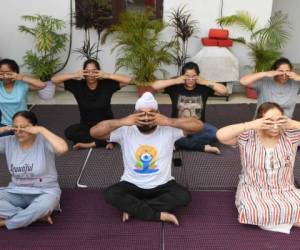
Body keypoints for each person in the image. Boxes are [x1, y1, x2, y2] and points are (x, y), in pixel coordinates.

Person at [90, 92, 202, 225]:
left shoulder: (168, 128)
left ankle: (133, 207)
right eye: (141, 114)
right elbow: (94, 132)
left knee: (183, 197)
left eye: (151, 113)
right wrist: (122, 121)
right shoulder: (126, 130)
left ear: (158, 113)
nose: (146, 118)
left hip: (163, 184)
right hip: (131, 184)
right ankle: (158, 215)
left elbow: (198, 126)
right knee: (111, 194)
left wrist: (168, 121)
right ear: (134, 114)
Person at [216, 102, 300, 234]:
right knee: (255, 211)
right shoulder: (248, 135)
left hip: (284, 189)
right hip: (254, 189)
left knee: (280, 209)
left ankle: (281, 219)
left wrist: (294, 124)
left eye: (279, 121)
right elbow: (220, 135)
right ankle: (291, 219)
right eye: (269, 122)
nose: (275, 126)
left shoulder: (290, 135)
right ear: (259, 120)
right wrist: (249, 125)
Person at [0, 110, 68, 230]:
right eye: (15, 127)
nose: (19, 131)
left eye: (24, 127)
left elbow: (62, 149)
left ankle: (6, 222)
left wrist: (42, 130)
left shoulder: (43, 140)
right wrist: (3, 129)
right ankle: (34, 216)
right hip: (16, 191)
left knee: (45, 205)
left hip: (44, 192)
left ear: (34, 127)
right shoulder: (8, 142)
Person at [51, 59, 132, 150]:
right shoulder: (78, 86)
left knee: (119, 129)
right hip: (88, 126)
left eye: (94, 71)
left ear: (99, 72)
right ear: (83, 72)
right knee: (69, 132)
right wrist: (75, 75)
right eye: (87, 71)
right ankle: (104, 141)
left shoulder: (106, 84)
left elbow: (128, 80)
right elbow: (54, 80)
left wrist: (107, 75)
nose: (90, 74)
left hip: (106, 125)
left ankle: (91, 143)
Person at [151, 61, 228, 154]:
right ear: (182, 76)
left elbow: (224, 91)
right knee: (164, 132)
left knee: (216, 134)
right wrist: (176, 80)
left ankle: (178, 142)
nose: (190, 79)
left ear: (198, 76)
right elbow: (154, 86)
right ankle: (202, 147)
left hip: (197, 126)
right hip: (177, 126)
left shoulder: (203, 87)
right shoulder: (175, 87)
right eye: (187, 76)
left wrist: (205, 81)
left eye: (194, 76)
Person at [0, 59, 45, 129]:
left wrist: (22, 78)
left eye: (8, 73)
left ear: (15, 72)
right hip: (6, 124)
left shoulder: (22, 84)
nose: (5, 76)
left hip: (24, 122)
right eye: (1, 73)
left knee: (33, 138)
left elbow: (42, 85)